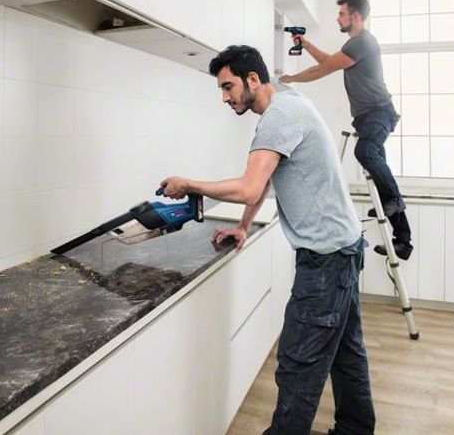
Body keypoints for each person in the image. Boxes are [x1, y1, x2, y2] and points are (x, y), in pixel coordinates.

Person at [159, 45, 376, 435]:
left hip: (326, 262)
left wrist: (189, 184)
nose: (224, 97)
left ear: (252, 80)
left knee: (298, 364)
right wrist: (244, 226)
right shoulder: (292, 102)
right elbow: (263, 184)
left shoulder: (277, 118)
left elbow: (248, 186)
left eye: (228, 87)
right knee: (347, 354)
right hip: (344, 249)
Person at [278, 0, 413, 260]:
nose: (337, 18)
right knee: (376, 163)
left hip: (378, 113)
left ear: (355, 16)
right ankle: (402, 238)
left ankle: (394, 208)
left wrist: (291, 78)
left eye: (342, 14)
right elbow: (329, 61)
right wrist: (307, 45)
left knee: (365, 152)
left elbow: (323, 70)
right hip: (368, 117)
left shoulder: (362, 42)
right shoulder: (354, 46)